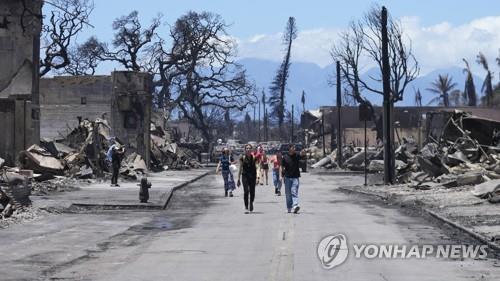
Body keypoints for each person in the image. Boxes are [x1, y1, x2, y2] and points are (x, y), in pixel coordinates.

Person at [281, 144, 306, 213]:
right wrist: (282, 176)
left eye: (294, 148)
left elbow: (302, 154)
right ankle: (289, 207)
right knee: (288, 194)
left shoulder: (297, 155)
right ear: (289, 149)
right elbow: (282, 167)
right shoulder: (285, 157)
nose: (294, 149)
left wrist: (304, 151)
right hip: (287, 177)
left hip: (295, 177)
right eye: (293, 147)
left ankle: (295, 205)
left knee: (294, 191)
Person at [237, 144, 257, 213]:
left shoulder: (254, 157)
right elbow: (240, 168)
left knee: (252, 192)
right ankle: (246, 206)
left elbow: (257, 167)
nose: (248, 150)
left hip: (253, 176)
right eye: (247, 148)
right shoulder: (242, 157)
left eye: (249, 148)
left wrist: (258, 177)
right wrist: (238, 179)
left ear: (251, 150)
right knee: (246, 191)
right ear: (245, 150)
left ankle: (251, 202)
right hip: (245, 176)